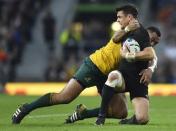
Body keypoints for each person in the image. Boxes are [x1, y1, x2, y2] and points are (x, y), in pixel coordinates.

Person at [11, 19, 139, 124]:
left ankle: (84, 113)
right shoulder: (123, 34)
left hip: (108, 74)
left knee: (120, 112)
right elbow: (116, 37)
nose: (118, 19)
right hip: (94, 66)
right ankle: (26, 108)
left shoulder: (136, 42)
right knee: (65, 97)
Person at [65, 26, 161, 124]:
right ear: (144, 34)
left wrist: (150, 69)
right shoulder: (129, 39)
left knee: (128, 115)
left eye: (156, 43)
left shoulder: (148, 50)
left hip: (137, 82)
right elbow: (116, 39)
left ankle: (85, 113)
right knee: (114, 77)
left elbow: (154, 57)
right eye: (151, 40)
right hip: (117, 76)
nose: (152, 44)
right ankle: (101, 117)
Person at [95, 5, 159, 125]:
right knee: (113, 75)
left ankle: (127, 122)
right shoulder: (124, 31)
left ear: (129, 17)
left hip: (138, 80)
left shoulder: (141, 32)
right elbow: (114, 39)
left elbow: (150, 54)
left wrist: (128, 56)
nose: (117, 20)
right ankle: (101, 117)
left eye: (120, 17)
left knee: (142, 119)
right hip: (123, 77)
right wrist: (126, 30)